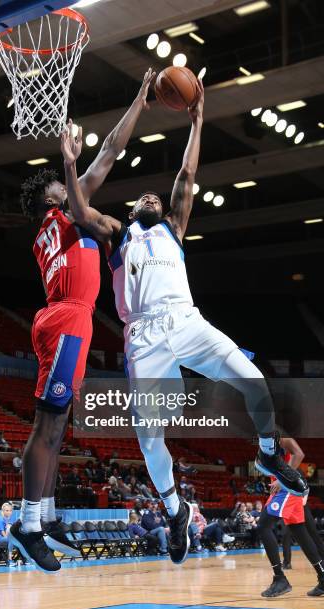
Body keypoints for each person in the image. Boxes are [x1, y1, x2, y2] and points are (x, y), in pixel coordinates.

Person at [60, 75, 308, 565]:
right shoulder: (117, 233)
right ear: (132, 210)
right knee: (149, 438)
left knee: (255, 380)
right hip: (145, 337)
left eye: (157, 197)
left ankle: (266, 452)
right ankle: (175, 511)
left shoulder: (174, 226)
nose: (152, 198)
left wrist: (197, 120)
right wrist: (75, 160)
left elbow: (187, 175)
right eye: (143, 199)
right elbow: (81, 201)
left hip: (188, 322)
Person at [9, 68, 156, 572]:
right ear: (53, 197)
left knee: (58, 424)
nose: (67, 182)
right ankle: (28, 525)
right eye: (61, 182)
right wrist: (139, 100)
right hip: (68, 319)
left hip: (66, 317)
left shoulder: (57, 227)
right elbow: (111, 151)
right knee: (48, 427)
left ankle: (45, 519)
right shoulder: (66, 216)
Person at [259, 437, 324, 598]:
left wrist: (281, 481)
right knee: (300, 533)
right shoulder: (263, 440)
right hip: (285, 488)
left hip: (287, 487)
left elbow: (299, 454)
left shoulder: (282, 438)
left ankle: (280, 579)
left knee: (263, 526)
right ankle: (323, 576)